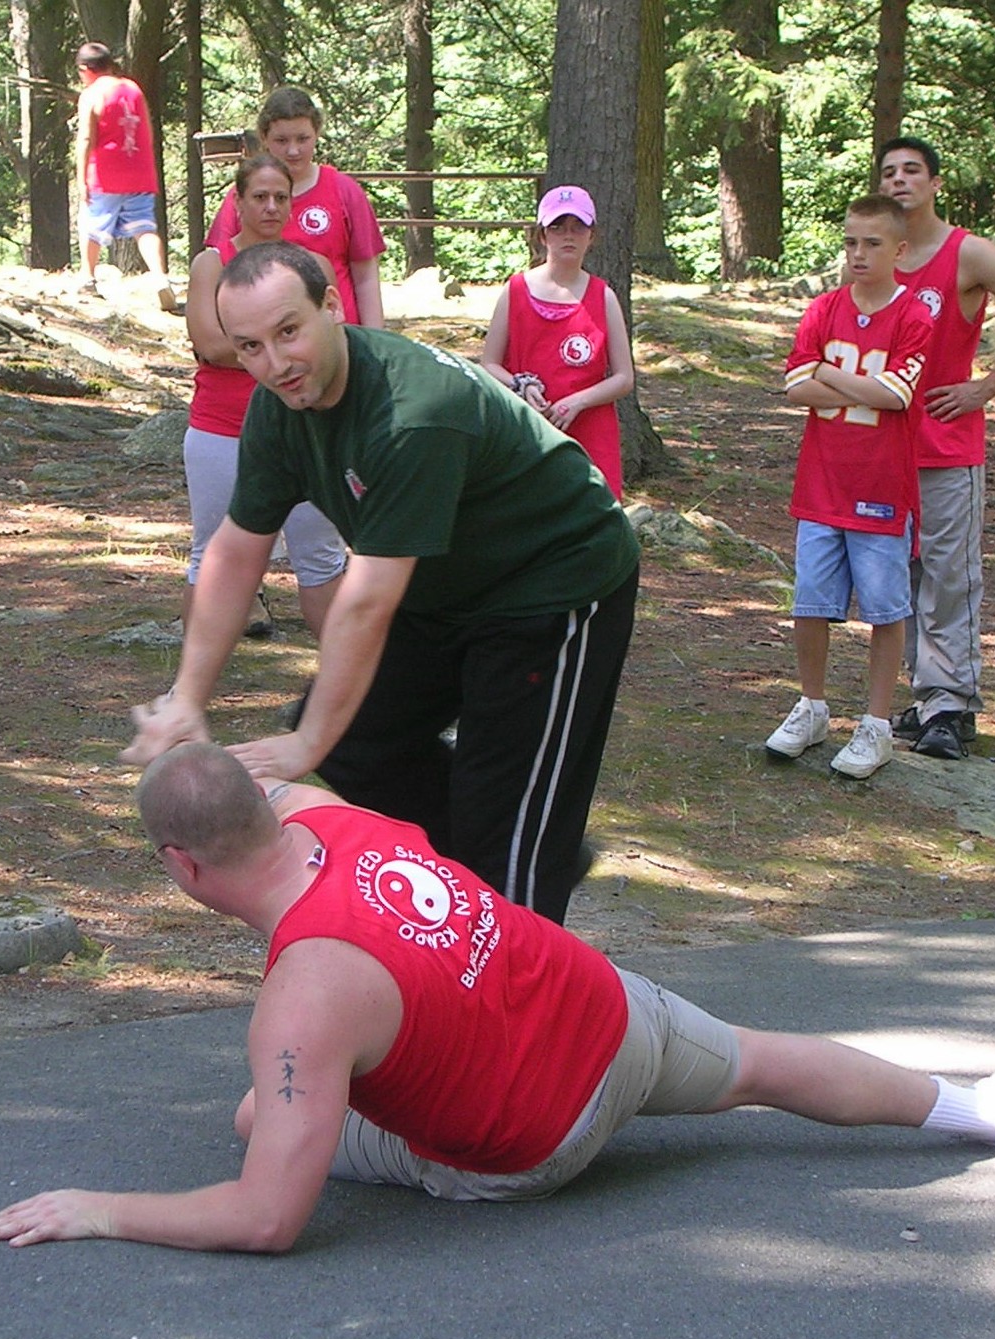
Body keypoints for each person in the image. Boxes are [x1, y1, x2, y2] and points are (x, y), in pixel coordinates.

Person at [0, 744, 995, 1252]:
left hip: (536, 1141)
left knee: (264, 1118)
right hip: (613, 1018)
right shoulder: (329, 815)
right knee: (760, 1063)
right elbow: (280, 777)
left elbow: (268, 1219)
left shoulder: (300, 1002)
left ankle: (981, 1109)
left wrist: (99, 1209)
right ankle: (979, 1109)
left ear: (181, 867)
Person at [124, 242, 639, 927]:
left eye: (287, 332)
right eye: (248, 347)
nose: (274, 364)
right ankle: (499, 859)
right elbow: (235, 553)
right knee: (356, 738)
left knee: (502, 844)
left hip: (551, 585)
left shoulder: (410, 412)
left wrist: (305, 747)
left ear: (332, 306)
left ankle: (516, 926)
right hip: (440, 584)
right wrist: (187, 696)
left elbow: (365, 600)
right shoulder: (279, 410)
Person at [876, 136, 995, 760]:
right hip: (880, 450)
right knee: (895, 577)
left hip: (947, 446)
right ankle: (926, 698)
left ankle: (951, 705)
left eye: (912, 171)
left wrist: (985, 388)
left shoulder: (968, 254)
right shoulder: (876, 256)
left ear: (934, 183)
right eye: (889, 173)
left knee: (948, 577)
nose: (900, 180)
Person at [764, 195, 934, 780]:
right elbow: (793, 386)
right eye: (851, 243)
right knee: (810, 601)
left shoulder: (914, 316)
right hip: (821, 484)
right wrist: (860, 385)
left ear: (899, 251)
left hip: (882, 488)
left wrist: (830, 375)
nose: (859, 254)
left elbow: (896, 397)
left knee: (886, 608)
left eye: (873, 244)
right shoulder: (823, 308)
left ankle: (877, 723)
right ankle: (811, 706)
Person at [185, 154, 345, 637]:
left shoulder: (311, 266)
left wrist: (254, 349)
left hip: (306, 425)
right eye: (259, 196)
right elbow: (210, 344)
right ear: (237, 202)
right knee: (211, 552)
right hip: (221, 426)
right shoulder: (212, 264)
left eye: (281, 197)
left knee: (321, 556)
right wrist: (289, 346)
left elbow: (334, 341)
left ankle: (345, 689)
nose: (271, 207)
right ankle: (188, 693)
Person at [479, 185, 634, 499]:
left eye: (578, 227)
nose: (568, 235)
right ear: (542, 235)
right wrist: (520, 385)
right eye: (558, 227)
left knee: (589, 517)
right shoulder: (516, 290)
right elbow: (489, 364)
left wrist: (578, 401)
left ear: (592, 236)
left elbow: (623, 378)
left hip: (589, 431)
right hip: (527, 428)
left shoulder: (603, 297)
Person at [205, 87, 387, 327]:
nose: (293, 151)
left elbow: (365, 277)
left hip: (336, 335)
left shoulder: (344, 191)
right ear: (264, 138)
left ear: (317, 134)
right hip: (266, 338)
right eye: (281, 140)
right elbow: (220, 267)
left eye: (303, 139)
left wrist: (373, 344)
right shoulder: (242, 197)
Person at [73, 42, 177, 312]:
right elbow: (149, 131)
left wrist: (81, 177)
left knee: (91, 223)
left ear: (85, 70)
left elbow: (86, 137)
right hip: (140, 169)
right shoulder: (133, 89)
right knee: (144, 227)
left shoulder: (92, 94)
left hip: (106, 173)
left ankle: (87, 277)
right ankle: (159, 276)